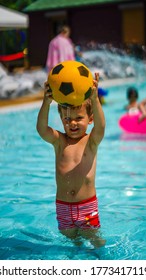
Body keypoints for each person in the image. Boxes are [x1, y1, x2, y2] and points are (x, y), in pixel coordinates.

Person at [36, 73, 106, 248]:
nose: (72, 123)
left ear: (90, 119)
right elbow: (42, 128)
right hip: (63, 207)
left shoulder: (91, 141)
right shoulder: (59, 141)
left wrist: (94, 100)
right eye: (67, 119)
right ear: (61, 120)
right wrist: (46, 102)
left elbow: (101, 126)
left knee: (95, 241)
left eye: (79, 118)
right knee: (71, 243)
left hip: (86, 206)